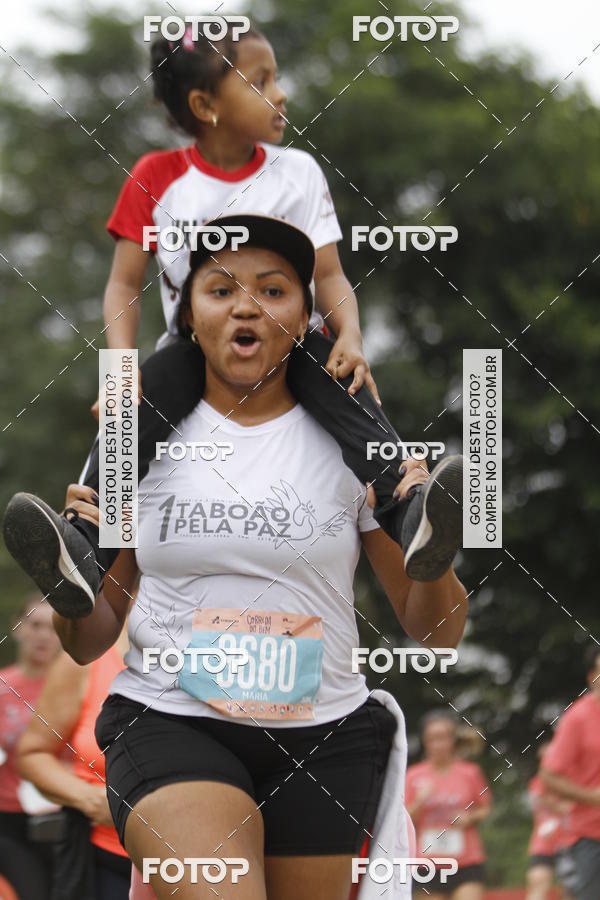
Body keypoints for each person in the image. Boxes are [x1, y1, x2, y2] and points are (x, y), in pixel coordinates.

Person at [51, 218, 467, 900]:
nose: (246, 306)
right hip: (168, 720)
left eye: (273, 290)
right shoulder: (141, 437)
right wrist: (73, 600)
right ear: (189, 315)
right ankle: (70, 560)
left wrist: (436, 555)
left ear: (306, 318)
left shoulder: (356, 445)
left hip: (324, 736)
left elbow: (438, 630)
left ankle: (433, 533)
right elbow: (89, 639)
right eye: (220, 289)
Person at [2, 20, 463, 620]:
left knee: (349, 391)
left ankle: (409, 508)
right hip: (191, 346)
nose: (281, 94)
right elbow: (122, 282)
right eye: (261, 80)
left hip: (300, 341)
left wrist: (349, 334)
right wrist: (118, 365)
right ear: (205, 104)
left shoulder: (297, 173)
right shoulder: (158, 178)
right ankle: (84, 544)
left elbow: (328, 276)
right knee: (131, 417)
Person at [17, 616, 132, 899]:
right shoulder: (86, 660)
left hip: (199, 861)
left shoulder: (222, 654)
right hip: (104, 860)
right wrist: (91, 800)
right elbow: (33, 753)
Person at [0, 593, 60, 898]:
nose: (43, 636)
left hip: (69, 817)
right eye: (35, 625)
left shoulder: (76, 687)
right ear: (18, 627)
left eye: (52, 628)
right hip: (10, 818)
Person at [405, 710, 491, 899]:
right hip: (426, 863)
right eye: (433, 739)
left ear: (453, 740)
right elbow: (404, 821)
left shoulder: (470, 773)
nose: (438, 745)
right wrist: (419, 802)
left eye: (443, 738)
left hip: (466, 861)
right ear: (425, 741)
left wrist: (470, 817)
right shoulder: (413, 775)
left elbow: (485, 808)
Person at [541, 644, 600, 900]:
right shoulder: (577, 717)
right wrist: (593, 797)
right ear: (592, 677)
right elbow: (548, 776)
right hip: (591, 836)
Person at [526, 741, 572, 900]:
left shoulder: (572, 780)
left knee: (571, 889)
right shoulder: (538, 782)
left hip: (570, 841)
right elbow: (543, 802)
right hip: (544, 842)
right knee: (538, 883)